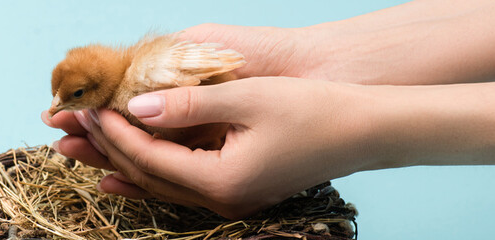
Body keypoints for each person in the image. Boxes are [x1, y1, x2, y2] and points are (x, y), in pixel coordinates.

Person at [42, 0, 495, 219]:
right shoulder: (120, 89)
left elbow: (211, 69)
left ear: (99, 85)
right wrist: (312, 57)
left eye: (74, 97)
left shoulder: (137, 82)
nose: (60, 107)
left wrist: (355, 131)